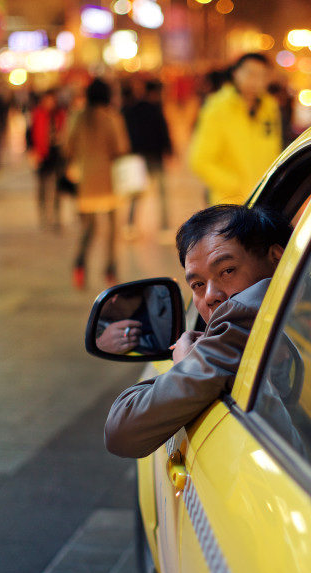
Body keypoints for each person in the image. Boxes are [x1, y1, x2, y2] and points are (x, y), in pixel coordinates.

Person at [104, 204, 292, 458]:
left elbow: (121, 432)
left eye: (227, 271)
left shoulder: (243, 319)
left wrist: (186, 363)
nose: (211, 295)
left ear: (277, 259)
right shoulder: (303, 309)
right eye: (198, 284)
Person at [188, 53, 282, 206]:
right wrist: (234, 185)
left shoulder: (270, 107)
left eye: (262, 76)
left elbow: (274, 151)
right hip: (229, 203)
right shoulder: (217, 107)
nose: (256, 81)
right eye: (250, 74)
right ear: (235, 73)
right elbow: (200, 160)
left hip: (264, 200)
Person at [66, 78, 130, 289]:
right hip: (109, 183)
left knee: (89, 228)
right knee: (112, 230)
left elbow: (66, 146)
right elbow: (121, 148)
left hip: (85, 183)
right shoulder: (111, 118)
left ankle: (79, 264)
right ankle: (110, 270)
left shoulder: (77, 117)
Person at [122, 79, 173, 235]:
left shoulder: (134, 108)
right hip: (155, 155)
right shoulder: (156, 108)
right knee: (162, 193)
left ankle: (130, 225)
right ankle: (164, 226)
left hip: (138, 156)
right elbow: (163, 130)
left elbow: (128, 131)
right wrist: (169, 149)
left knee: (136, 192)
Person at [31, 89, 67, 231]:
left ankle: (57, 216)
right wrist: (33, 151)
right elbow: (30, 133)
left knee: (58, 186)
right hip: (42, 153)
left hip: (57, 153)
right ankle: (44, 216)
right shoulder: (37, 114)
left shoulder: (60, 114)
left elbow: (67, 131)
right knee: (42, 186)